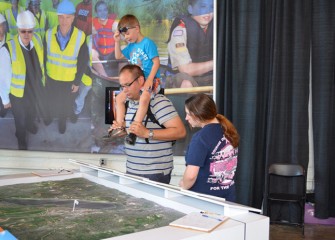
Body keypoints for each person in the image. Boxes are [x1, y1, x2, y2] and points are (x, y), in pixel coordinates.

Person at [110, 64, 186, 183]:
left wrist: (147, 133)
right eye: (122, 86)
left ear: (140, 80)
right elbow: (135, 131)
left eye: (128, 85)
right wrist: (122, 131)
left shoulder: (159, 102)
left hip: (154, 173)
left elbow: (180, 132)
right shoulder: (129, 104)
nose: (124, 90)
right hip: (131, 170)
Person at [0, 10, 47, 149]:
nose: (27, 35)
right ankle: (21, 138)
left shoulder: (37, 39)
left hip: (35, 88)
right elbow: (3, 77)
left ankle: (30, 125)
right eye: (23, 31)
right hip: (18, 94)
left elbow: (41, 63)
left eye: (30, 31)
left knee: (32, 111)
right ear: (18, 30)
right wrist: (5, 100)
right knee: (20, 119)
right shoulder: (7, 48)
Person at [179, 93, 239, 201]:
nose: (186, 118)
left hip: (205, 202)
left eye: (188, 114)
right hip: (228, 197)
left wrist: (183, 185)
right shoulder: (227, 130)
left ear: (198, 115)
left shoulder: (200, 138)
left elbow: (191, 176)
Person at [113, 14, 161, 145]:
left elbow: (156, 62)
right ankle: (120, 125)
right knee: (118, 99)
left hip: (150, 80)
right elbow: (118, 56)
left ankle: (135, 130)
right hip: (136, 82)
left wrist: (150, 79)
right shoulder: (130, 46)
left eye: (128, 34)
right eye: (124, 36)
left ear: (137, 28)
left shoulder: (148, 43)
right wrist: (117, 41)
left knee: (144, 98)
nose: (127, 37)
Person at [44, 0, 88, 134]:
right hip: (51, 77)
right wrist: (44, 75)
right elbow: (44, 56)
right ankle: (50, 117)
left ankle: (62, 122)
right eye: (61, 17)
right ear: (57, 17)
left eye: (68, 17)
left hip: (69, 80)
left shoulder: (80, 36)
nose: (64, 21)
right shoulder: (48, 34)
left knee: (65, 103)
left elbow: (83, 61)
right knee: (51, 99)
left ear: (73, 17)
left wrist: (77, 82)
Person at [166, 0, 214, 88]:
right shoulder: (179, 31)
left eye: (211, 7)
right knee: (186, 82)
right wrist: (216, 63)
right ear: (191, 9)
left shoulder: (219, 26)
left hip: (209, 78)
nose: (208, 12)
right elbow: (186, 70)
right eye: (203, 7)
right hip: (186, 78)